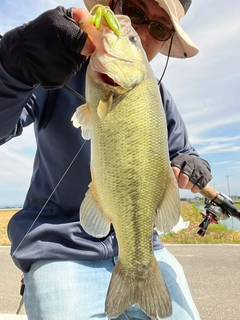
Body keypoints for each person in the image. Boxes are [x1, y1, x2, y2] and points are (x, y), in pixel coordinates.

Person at [0, 0, 212, 319]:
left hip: (143, 246)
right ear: (112, 5)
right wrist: (12, 65)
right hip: (59, 248)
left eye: (158, 26)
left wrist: (192, 164)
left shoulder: (159, 98)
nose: (138, 30)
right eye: (135, 11)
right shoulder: (49, 69)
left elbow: (184, 153)